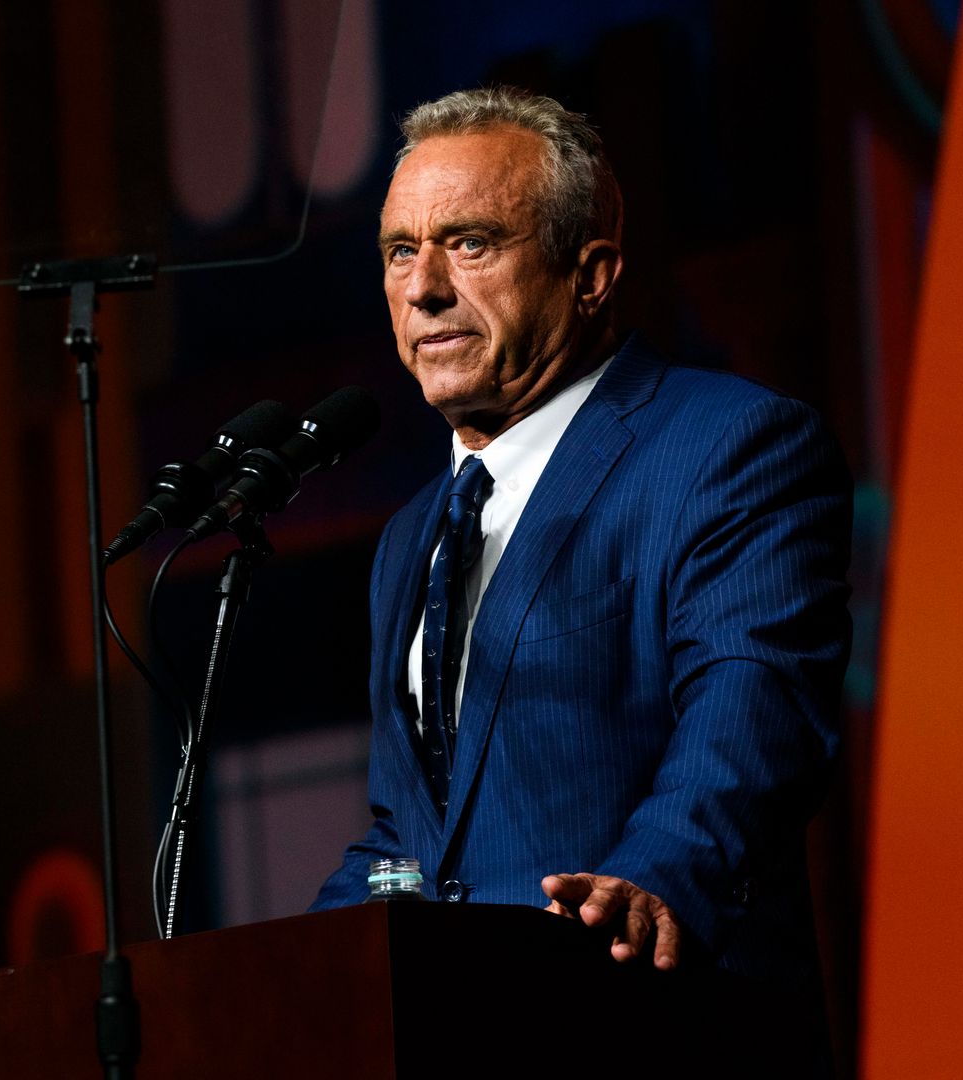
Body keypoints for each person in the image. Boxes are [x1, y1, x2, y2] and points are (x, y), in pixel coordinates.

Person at [311, 86, 851, 1021]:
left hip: (650, 1021)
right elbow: (412, 835)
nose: (424, 286)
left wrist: (651, 882)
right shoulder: (410, 537)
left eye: (471, 243)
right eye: (402, 250)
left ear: (590, 274)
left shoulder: (729, 447)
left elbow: (751, 713)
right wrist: (296, 966)